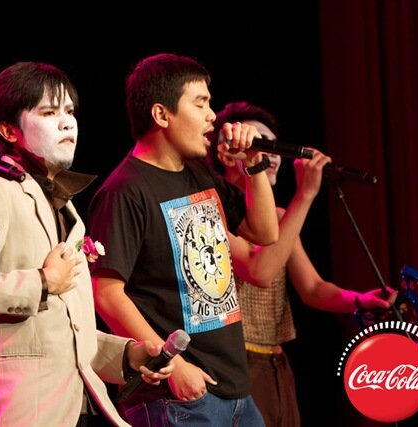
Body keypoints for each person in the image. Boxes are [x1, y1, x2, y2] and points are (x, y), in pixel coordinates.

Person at [0, 61, 173, 427]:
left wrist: (127, 355)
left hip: (82, 405)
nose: (67, 123)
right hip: (25, 410)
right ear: (9, 130)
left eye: (70, 111)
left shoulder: (66, 205)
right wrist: (42, 282)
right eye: (49, 112)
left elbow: (67, 333)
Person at [87, 53, 279, 427]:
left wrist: (253, 163)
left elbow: (265, 232)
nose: (212, 116)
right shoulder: (124, 191)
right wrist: (172, 364)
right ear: (162, 114)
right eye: (200, 103)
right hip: (176, 397)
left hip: (233, 389)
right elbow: (106, 292)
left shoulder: (198, 173)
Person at [207, 101, 398, 427]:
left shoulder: (281, 217)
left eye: (277, 148)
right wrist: (306, 195)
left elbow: (312, 288)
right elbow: (260, 271)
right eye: (263, 145)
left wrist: (361, 299)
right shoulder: (213, 211)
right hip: (236, 363)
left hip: (278, 365)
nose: (274, 157)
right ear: (227, 155)